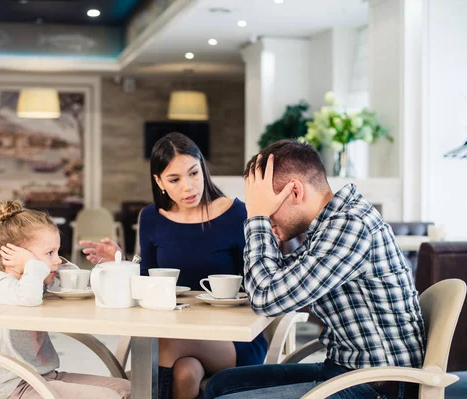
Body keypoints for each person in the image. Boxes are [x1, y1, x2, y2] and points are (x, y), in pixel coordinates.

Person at [204, 140, 425, 399]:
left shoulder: (351, 225)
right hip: (345, 370)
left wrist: (256, 219)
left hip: (379, 385)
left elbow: (266, 299)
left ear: (295, 192)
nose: (266, 217)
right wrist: (263, 219)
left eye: (265, 206)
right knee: (220, 385)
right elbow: (277, 280)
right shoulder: (329, 226)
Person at [79, 132, 268, 399]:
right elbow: (147, 282)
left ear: (203, 168)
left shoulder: (237, 214)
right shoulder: (151, 218)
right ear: (159, 182)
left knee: (165, 342)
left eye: (193, 173)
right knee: (186, 372)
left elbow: (257, 284)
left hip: (232, 338)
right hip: (177, 331)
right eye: (174, 179)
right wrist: (122, 262)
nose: (188, 187)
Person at [0, 201, 131, 399]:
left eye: (57, 252)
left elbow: (70, 285)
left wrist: (112, 266)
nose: (58, 259)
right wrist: (33, 264)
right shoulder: (1, 285)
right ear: (16, 254)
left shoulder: (35, 280)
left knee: (127, 390)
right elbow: (28, 298)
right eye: (50, 253)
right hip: (14, 388)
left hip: (44, 377)